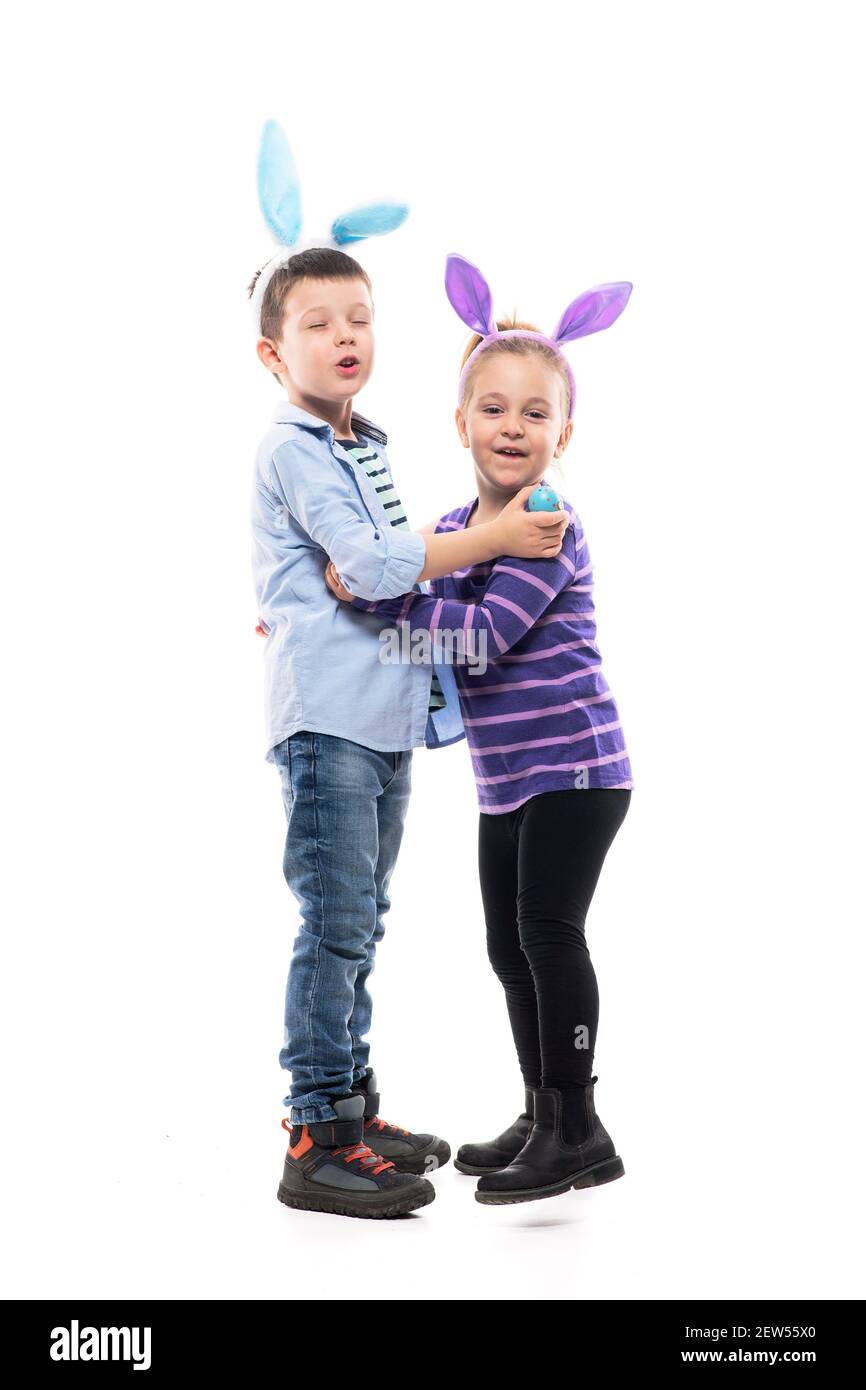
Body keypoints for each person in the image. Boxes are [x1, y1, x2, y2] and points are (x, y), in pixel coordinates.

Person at [249, 127, 569, 1219]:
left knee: (361, 918)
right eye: (317, 324)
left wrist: (375, 587)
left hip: (376, 722)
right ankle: (311, 1131)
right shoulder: (293, 447)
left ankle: (348, 1105)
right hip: (331, 722)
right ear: (272, 353)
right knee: (333, 921)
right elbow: (384, 568)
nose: (344, 337)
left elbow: (387, 589)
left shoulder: (363, 443)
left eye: (360, 319)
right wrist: (487, 543)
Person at [325, 252, 634, 1206]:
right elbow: (405, 573)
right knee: (509, 946)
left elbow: (482, 640)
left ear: (562, 433)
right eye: (493, 409)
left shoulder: (543, 522)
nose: (512, 428)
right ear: (461, 422)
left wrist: (383, 614)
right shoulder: (463, 523)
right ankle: (543, 1108)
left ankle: (577, 1126)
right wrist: (335, 597)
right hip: (508, 778)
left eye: (534, 414)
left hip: (577, 768)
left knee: (549, 932)